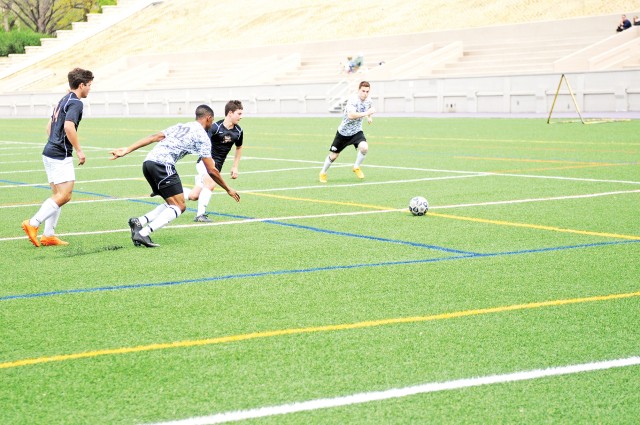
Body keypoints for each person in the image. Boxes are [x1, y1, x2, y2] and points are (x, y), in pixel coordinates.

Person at [109, 105, 240, 247]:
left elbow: (154, 137)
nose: (211, 124)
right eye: (212, 121)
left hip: (148, 163)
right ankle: (143, 233)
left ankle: (139, 222)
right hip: (163, 165)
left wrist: (127, 149)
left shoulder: (181, 126)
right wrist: (228, 189)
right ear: (208, 118)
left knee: (173, 202)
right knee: (180, 207)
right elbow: (212, 170)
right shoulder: (202, 137)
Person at [21, 68, 94, 247]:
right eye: (89, 85)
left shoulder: (63, 99)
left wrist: (54, 142)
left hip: (49, 152)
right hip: (60, 154)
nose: (90, 89)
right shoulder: (76, 102)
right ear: (81, 85)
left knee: (57, 195)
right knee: (65, 195)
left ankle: (48, 235)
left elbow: (49, 127)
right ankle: (33, 223)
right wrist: (79, 150)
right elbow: (69, 127)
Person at [185, 100, 244, 223]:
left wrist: (235, 167)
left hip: (218, 166)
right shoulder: (215, 127)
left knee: (194, 196)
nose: (241, 117)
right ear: (230, 113)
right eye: (239, 114)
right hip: (205, 163)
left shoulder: (238, 131)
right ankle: (200, 215)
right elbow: (202, 142)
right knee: (211, 184)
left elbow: (239, 148)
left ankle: (166, 192)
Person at [319, 81, 375, 183]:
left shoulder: (368, 100)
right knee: (334, 156)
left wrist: (369, 117)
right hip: (343, 133)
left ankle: (356, 167)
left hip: (357, 131)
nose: (365, 93)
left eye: (367, 91)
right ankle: (323, 172)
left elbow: (370, 108)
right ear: (358, 90)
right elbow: (351, 115)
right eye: (363, 91)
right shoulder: (353, 100)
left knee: (364, 147)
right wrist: (366, 113)